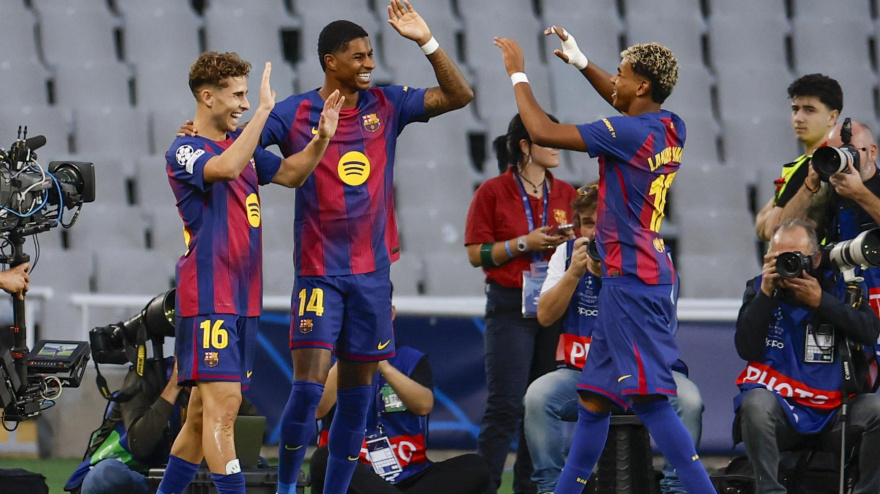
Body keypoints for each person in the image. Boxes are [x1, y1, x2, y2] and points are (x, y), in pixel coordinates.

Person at [254, 3, 473, 493]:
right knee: (309, 390)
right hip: (317, 272)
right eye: (359, 56)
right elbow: (244, 147)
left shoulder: (387, 105)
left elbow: (460, 96)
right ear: (331, 61)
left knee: (357, 397)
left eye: (371, 54)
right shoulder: (294, 114)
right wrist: (279, 171)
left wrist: (427, 41)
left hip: (373, 276)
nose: (369, 63)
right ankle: (288, 489)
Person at [493, 26, 717, 493]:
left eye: (621, 73)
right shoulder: (670, 124)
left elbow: (540, 131)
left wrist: (518, 74)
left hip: (631, 278)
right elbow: (623, 101)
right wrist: (581, 62)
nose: (613, 80)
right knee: (594, 402)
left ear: (641, 86)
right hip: (637, 272)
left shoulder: (629, 131)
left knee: (651, 401)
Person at [156, 51, 342, 494]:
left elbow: (294, 173)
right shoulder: (187, 148)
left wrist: (320, 140)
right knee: (225, 408)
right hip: (209, 294)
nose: (242, 102)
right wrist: (261, 113)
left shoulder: (242, 148)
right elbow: (225, 168)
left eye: (245, 94)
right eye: (236, 93)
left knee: (202, 415)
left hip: (242, 297)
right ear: (207, 96)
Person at [525, 185, 703, 494]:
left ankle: (677, 490)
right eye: (588, 224)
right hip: (580, 374)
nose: (596, 234)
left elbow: (665, 326)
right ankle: (550, 489)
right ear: (578, 227)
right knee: (538, 397)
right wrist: (574, 274)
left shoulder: (651, 256)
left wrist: (616, 275)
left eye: (603, 222)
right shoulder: (566, 255)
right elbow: (545, 316)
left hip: (644, 372)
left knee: (689, 400)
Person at [464, 112, 577, 493]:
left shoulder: (566, 194)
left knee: (541, 405)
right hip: (511, 304)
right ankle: (484, 486)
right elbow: (475, 254)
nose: (557, 146)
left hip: (554, 305)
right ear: (525, 147)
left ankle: (532, 488)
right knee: (506, 405)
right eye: (548, 140)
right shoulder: (492, 191)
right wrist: (523, 243)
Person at [734, 219, 880, 494]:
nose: (789, 264)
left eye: (796, 257)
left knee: (877, 409)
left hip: (837, 412)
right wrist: (766, 295)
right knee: (755, 402)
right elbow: (746, 348)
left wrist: (821, 302)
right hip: (782, 411)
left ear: (815, 258)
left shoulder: (841, 287)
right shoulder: (759, 288)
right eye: (780, 257)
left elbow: (870, 333)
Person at [309, 341, 490, 494]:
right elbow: (317, 409)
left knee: (476, 467)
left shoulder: (411, 360)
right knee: (324, 458)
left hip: (410, 476)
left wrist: (385, 366)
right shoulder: (328, 360)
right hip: (356, 477)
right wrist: (346, 357)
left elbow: (424, 405)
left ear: (391, 314)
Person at [63, 358, 258, 494]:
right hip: (136, 473)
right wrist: (173, 387)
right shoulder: (145, 377)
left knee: (259, 470)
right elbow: (140, 446)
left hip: (186, 474)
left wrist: (227, 395)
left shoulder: (216, 382)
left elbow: (256, 429)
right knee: (105, 476)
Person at [754, 74, 843, 241]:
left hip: (822, 264)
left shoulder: (828, 165)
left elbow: (772, 231)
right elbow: (760, 225)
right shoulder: (800, 164)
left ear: (832, 117)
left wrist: (773, 217)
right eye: (795, 109)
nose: (798, 118)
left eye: (809, 110)